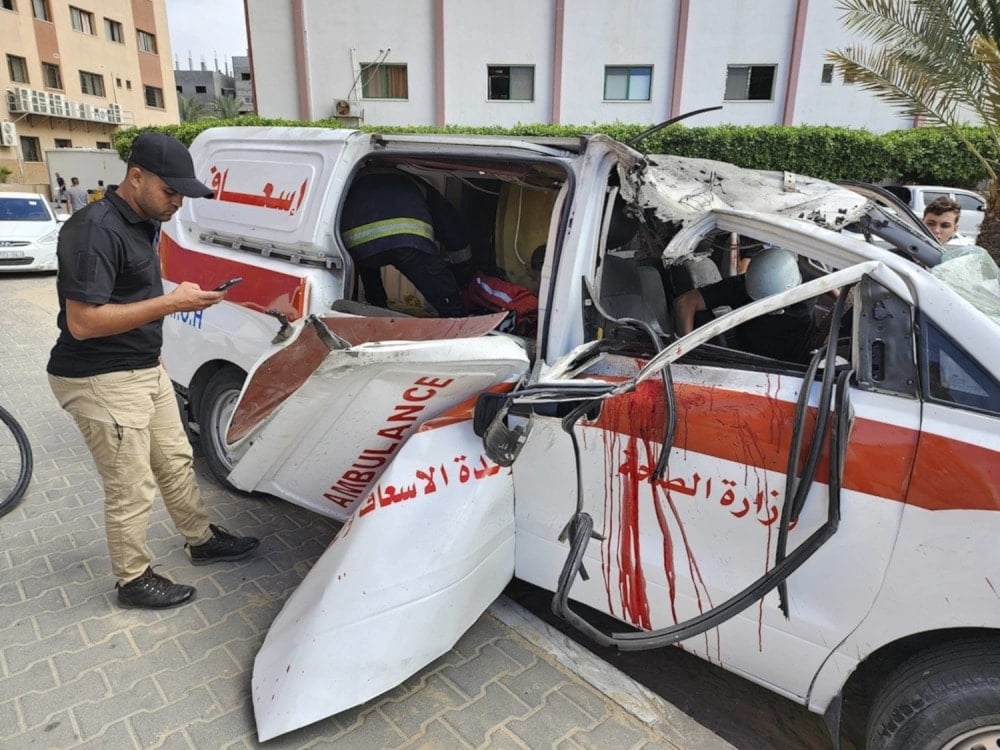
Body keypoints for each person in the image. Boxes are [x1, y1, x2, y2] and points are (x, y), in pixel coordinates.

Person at [47, 132, 259, 610]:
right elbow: (82, 323)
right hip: (98, 376)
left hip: (142, 365)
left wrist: (152, 344)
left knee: (175, 458)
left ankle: (200, 539)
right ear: (135, 177)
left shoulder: (145, 220)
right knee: (131, 482)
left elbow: (126, 297)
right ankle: (133, 579)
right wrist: (172, 302)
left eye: (182, 194)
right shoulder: (93, 230)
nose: (178, 203)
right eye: (171, 192)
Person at [340, 169, 469, 316]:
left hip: (359, 244)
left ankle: (376, 308)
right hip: (408, 241)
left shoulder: (351, 179)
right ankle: (459, 323)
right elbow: (451, 225)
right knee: (447, 299)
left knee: (368, 264)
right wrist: (463, 276)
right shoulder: (410, 181)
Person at [673, 246, 815, 363]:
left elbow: (833, 292)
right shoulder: (740, 287)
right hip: (750, 366)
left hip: (800, 367)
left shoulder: (811, 285)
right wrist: (688, 352)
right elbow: (684, 303)